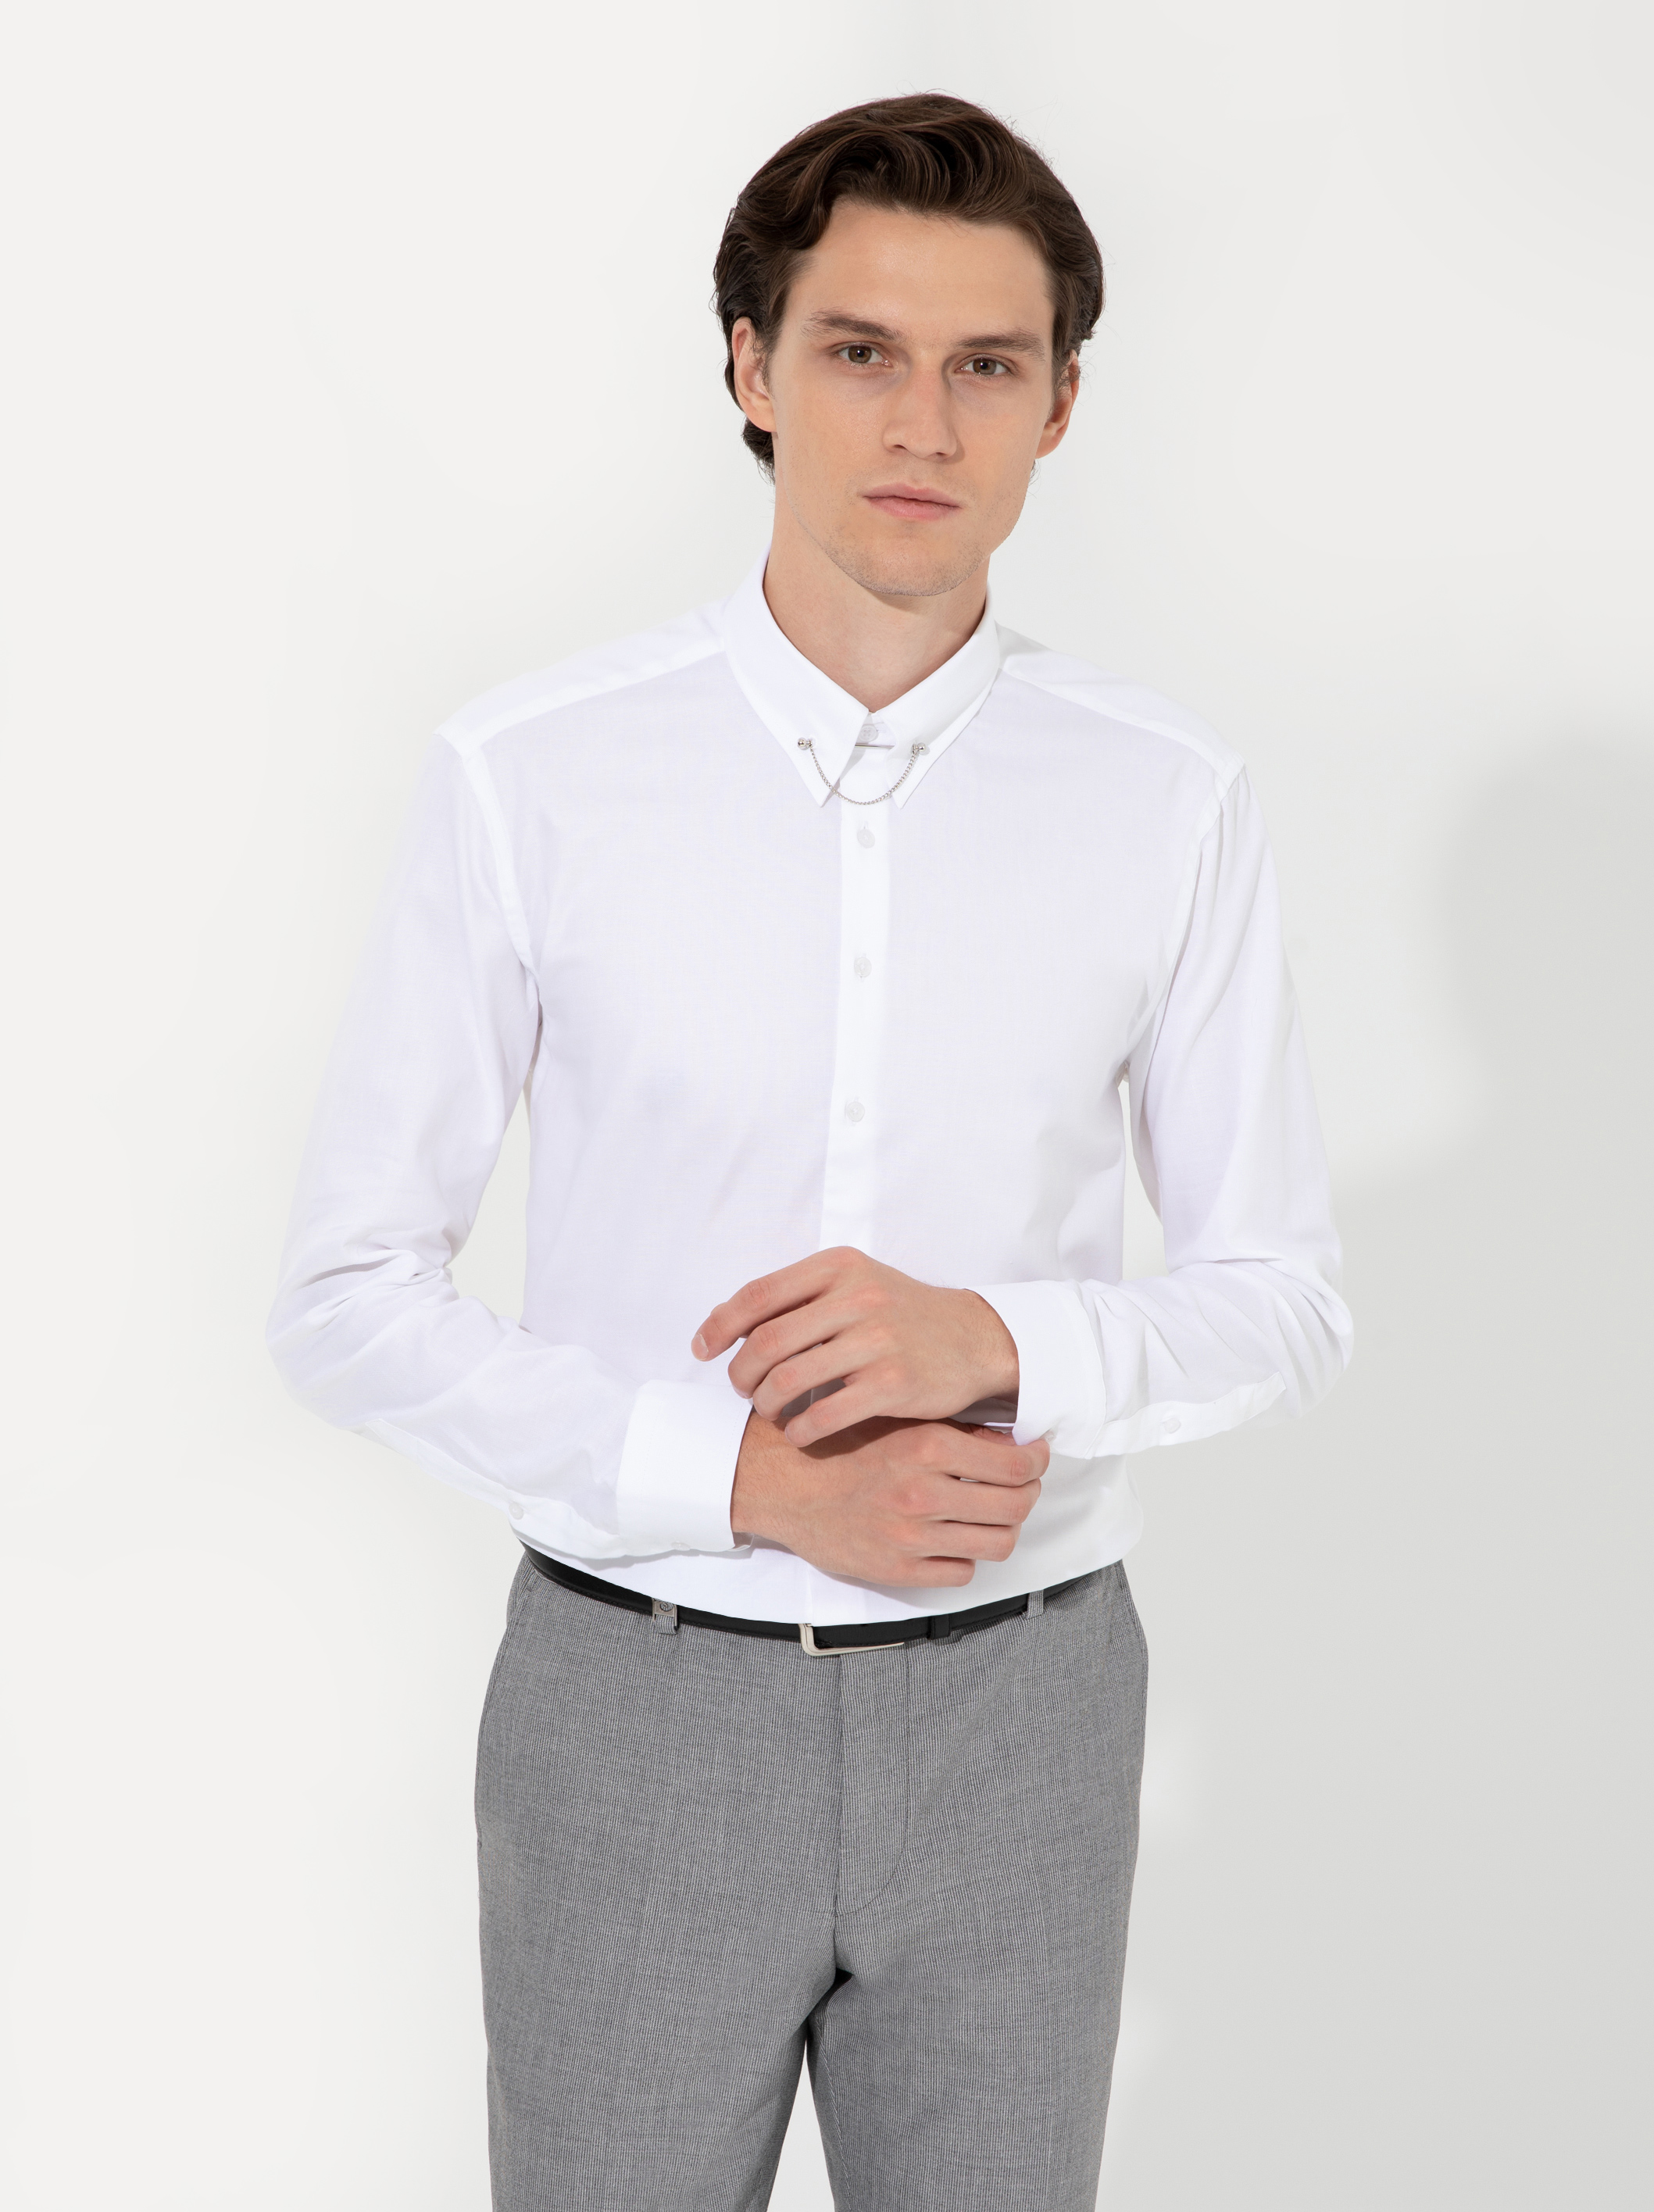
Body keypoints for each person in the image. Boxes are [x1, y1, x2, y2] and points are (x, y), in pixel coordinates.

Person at [269, 91, 1351, 2212]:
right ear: (753, 368)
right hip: (636, 1696)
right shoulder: (532, 774)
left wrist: (998, 1341)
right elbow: (347, 1295)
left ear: (1059, 408)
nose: (921, 423)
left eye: (986, 365)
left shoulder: (1166, 797)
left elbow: (1283, 1300)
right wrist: (743, 1481)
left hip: (1025, 1712)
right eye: (860, 351)